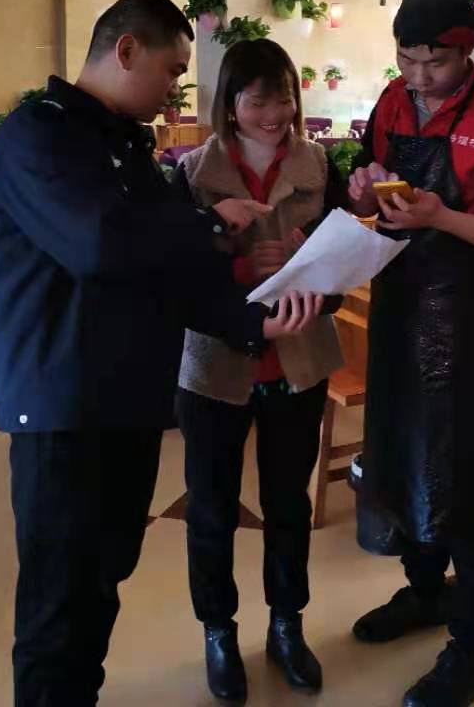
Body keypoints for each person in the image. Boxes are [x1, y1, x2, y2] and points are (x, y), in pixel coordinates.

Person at [0, 0, 323, 706]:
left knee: (101, 584)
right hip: (63, 412)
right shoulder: (41, 136)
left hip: (128, 405)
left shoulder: (128, 148)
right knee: (58, 605)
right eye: (172, 71)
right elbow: (100, 247)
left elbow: (171, 276)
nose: (175, 90)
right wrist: (210, 226)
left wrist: (254, 323)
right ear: (127, 50)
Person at [347, 0, 474, 706]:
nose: (419, 76)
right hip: (399, 304)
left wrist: (441, 218)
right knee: (401, 454)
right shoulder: (391, 102)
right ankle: (426, 590)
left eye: (434, 62)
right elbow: (363, 180)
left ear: (467, 53)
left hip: (473, 316)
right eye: (407, 60)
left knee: (466, 478)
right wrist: (363, 190)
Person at [170, 39, 347, 702]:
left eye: (285, 98)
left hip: (298, 362)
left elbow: (343, 263)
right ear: (230, 105)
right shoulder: (192, 174)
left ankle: (286, 624)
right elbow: (179, 279)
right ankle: (218, 631)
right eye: (259, 101)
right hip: (215, 367)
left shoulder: (318, 164)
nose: (276, 115)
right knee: (211, 508)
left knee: (288, 504)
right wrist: (245, 265)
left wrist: (313, 268)